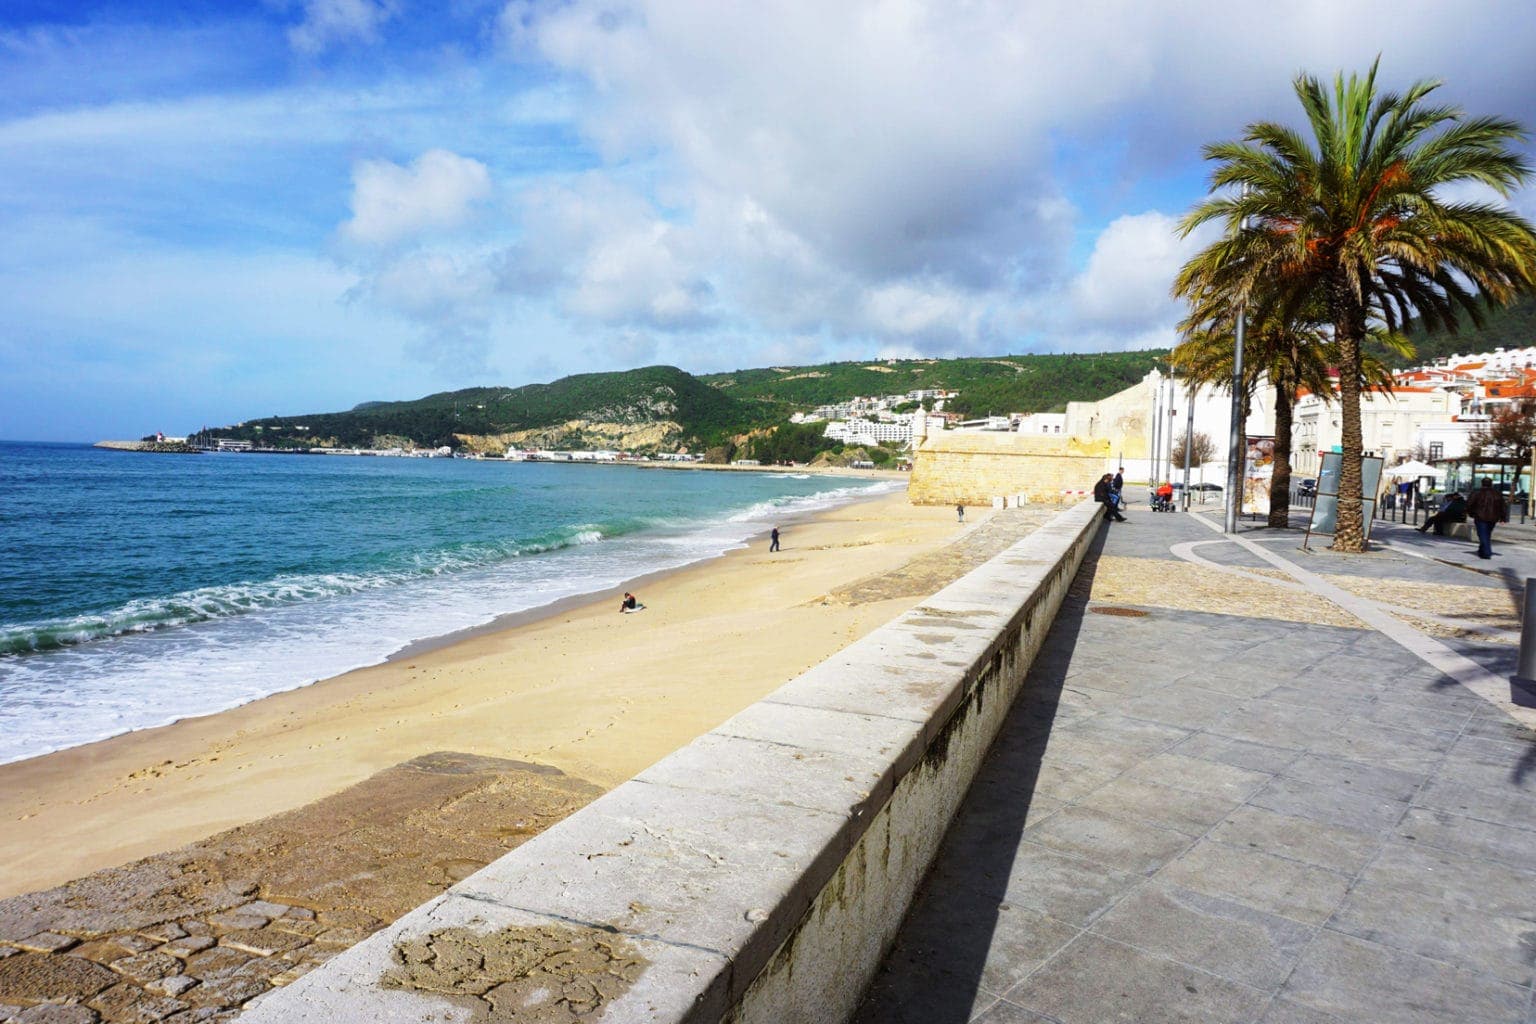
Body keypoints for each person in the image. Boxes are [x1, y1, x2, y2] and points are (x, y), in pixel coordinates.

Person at [1466, 478, 1508, 559]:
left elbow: (1469, 504)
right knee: (1486, 534)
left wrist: (1471, 514)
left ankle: (1486, 552)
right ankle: (1482, 550)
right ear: (1491, 484)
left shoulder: (1477, 493)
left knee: (1482, 534)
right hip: (1493, 517)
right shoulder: (1497, 494)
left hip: (1480, 517)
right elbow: (1503, 506)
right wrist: (1503, 518)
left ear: (1482, 483)